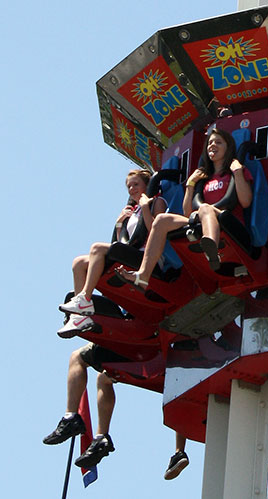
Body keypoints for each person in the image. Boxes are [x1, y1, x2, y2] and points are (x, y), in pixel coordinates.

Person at [116, 128, 253, 289]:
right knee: (161, 220)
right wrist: (190, 184)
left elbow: (245, 202)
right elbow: (188, 212)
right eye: (210, 143)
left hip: (226, 218)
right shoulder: (204, 177)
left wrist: (237, 172)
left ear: (228, 147)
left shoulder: (236, 171)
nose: (212, 145)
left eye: (218, 142)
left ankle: (212, 247)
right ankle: (143, 276)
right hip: (200, 218)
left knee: (205, 209)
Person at [43, 343, 190, 476]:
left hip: (140, 350)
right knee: (183, 384)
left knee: (77, 357)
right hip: (174, 358)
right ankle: (179, 451)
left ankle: (71, 418)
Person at [58, 170, 166, 336]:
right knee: (78, 263)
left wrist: (145, 207)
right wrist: (119, 223)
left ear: (147, 184)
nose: (131, 189)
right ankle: (79, 316)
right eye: (129, 186)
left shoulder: (157, 202)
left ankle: (85, 299)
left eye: (136, 184)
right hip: (130, 254)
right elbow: (122, 242)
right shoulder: (131, 212)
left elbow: (156, 231)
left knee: (96, 248)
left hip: (148, 258)